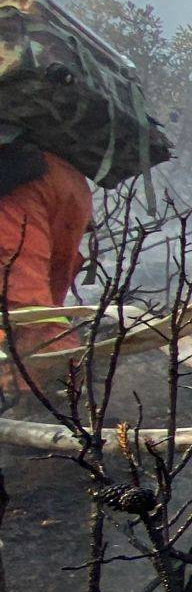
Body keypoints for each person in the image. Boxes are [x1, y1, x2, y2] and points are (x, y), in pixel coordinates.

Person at [0, 138, 92, 402]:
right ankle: (61, 387)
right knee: (45, 299)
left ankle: (41, 394)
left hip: (19, 185)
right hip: (67, 183)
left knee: (25, 306)